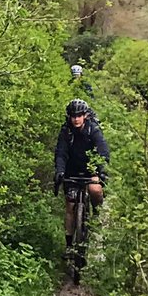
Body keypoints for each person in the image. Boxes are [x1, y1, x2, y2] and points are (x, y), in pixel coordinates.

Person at [54, 99, 109, 252]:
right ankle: (69, 244)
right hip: (71, 171)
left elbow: (103, 152)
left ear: (85, 116)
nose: (76, 119)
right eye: (73, 116)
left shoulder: (93, 130)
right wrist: (60, 171)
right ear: (69, 117)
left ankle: (97, 214)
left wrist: (100, 172)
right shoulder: (66, 131)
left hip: (91, 170)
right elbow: (61, 153)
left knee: (95, 190)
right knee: (70, 206)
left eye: (79, 115)